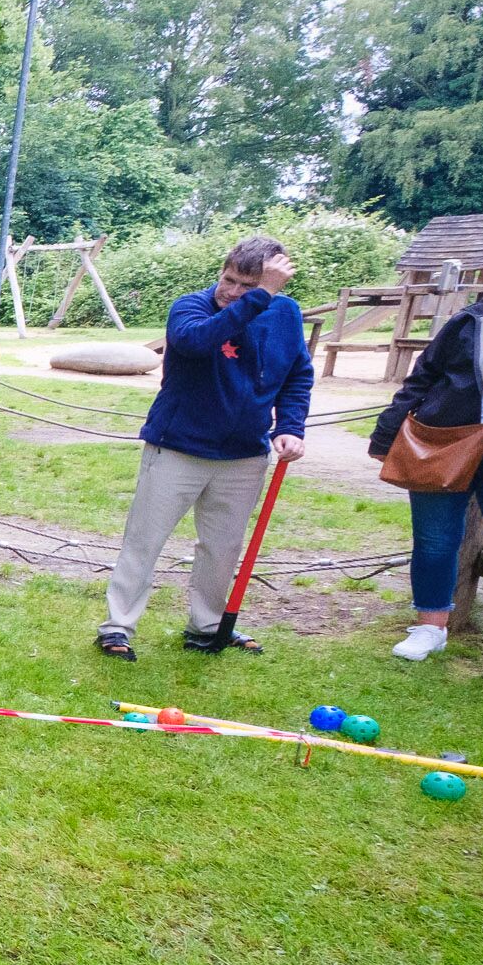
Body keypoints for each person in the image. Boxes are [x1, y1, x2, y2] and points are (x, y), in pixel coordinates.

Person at [96, 236, 309, 661]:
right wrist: (260, 295)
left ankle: (208, 626)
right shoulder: (190, 307)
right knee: (144, 539)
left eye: (247, 286)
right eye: (229, 279)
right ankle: (117, 628)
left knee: (223, 545)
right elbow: (195, 342)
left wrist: (290, 425)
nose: (232, 292)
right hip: (178, 447)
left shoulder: (286, 314)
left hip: (244, 454)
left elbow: (298, 373)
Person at [369, 234, 483, 683]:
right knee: (436, 542)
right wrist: (387, 433)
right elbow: (425, 375)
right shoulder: (480, 316)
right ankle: (429, 627)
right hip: (446, 443)